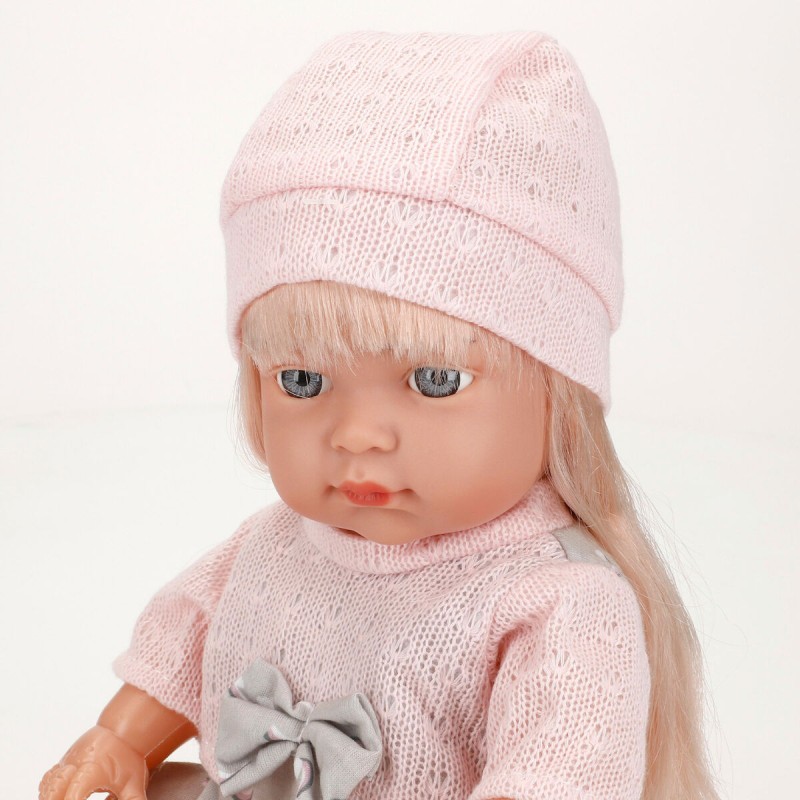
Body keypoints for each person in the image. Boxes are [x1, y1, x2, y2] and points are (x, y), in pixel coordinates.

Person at [38, 29, 719, 800]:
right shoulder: (274, 548)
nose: (357, 434)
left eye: (435, 380)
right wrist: (121, 739)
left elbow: (556, 773)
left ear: (557, 394)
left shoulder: (556, 606)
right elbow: (183, 640)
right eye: (301, 380)